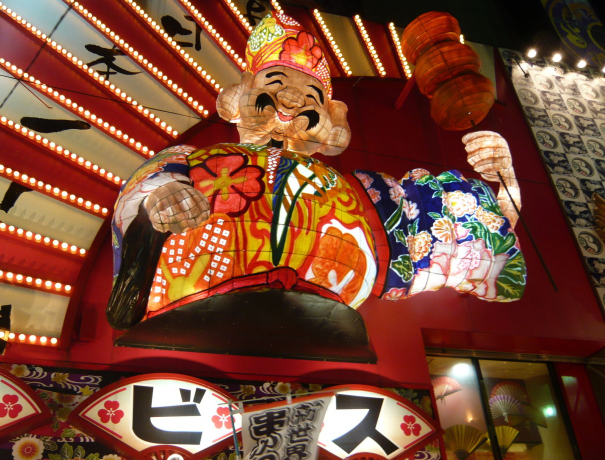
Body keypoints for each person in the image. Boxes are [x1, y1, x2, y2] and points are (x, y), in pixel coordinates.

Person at [107, 11, 525, 340]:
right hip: (191, 318)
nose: (291, 99)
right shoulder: (189, 163)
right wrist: (159, 199)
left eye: (311, 96)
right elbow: (146, 189)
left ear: (334, 121)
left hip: (326, 328)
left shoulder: (364, 194)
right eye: (274, 82)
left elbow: (468, 234)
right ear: (235, 95)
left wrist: (506, 181)